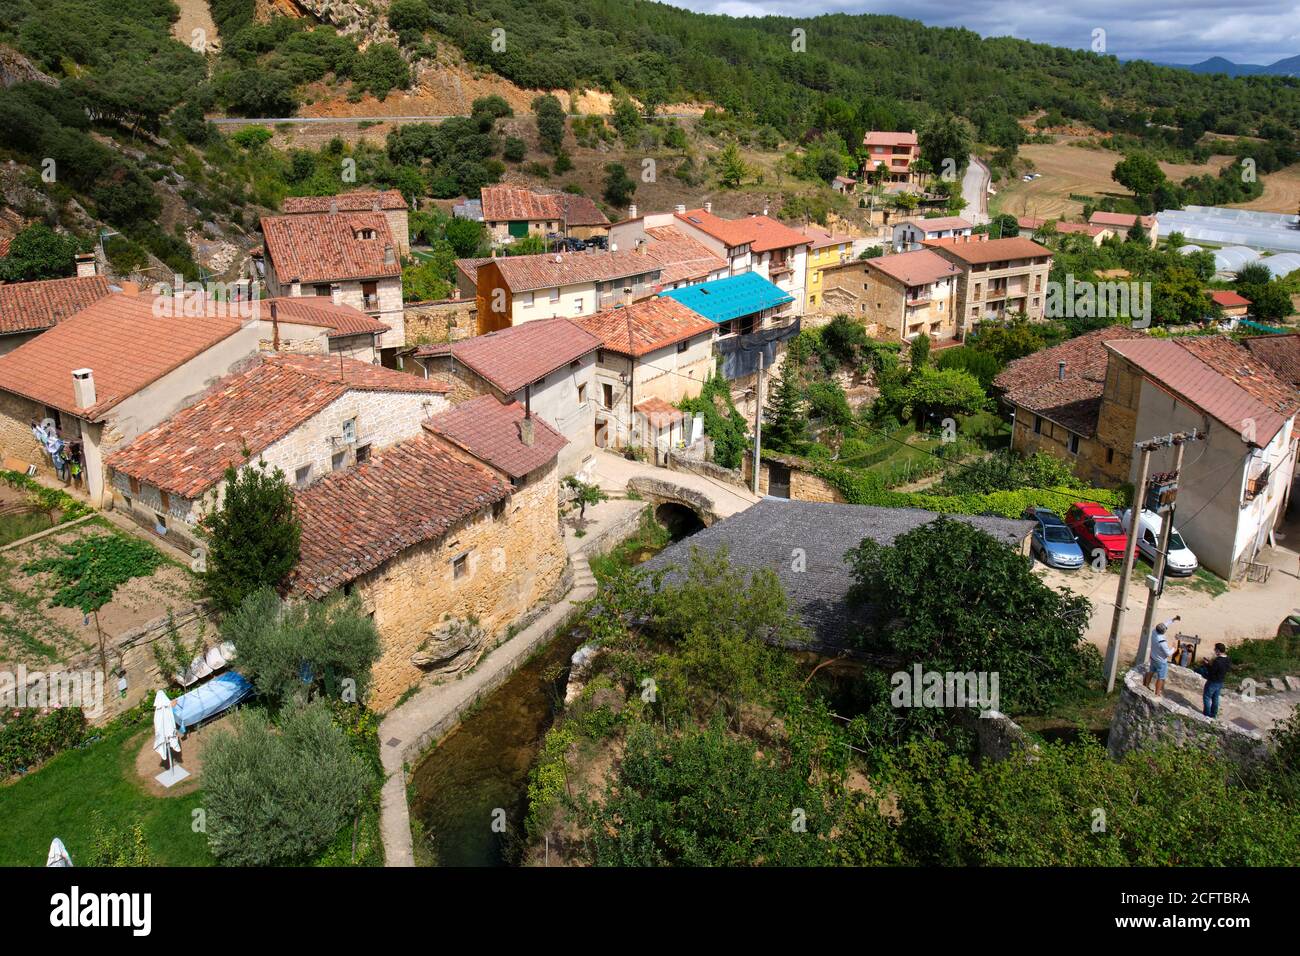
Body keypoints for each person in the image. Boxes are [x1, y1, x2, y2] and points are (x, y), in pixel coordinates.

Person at [1142, 615, 1181, 698]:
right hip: (1161, 661)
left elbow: (1165, 624)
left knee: (1151, 671)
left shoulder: (1154, 632)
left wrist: (1173, 619)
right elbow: (1168, 653)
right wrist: (1174, 648)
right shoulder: (1162, 641)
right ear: (1163, 632)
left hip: (1153, 657)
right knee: (1161, 677)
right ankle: (1157, 693)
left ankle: (1146, 685)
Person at [1201, 643, 1231, 719]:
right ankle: (1213, 715)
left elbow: (1211, 671)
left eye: (1215, 649)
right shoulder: (1228, 658)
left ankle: (1206, 714)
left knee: (1207, 697)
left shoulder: (1217, 661)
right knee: (1215, 698)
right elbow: (1227, 668)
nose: (1214, 651)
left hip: (1212, 681)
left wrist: (1207, 664)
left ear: (1218, 650)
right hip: (1220, 681)